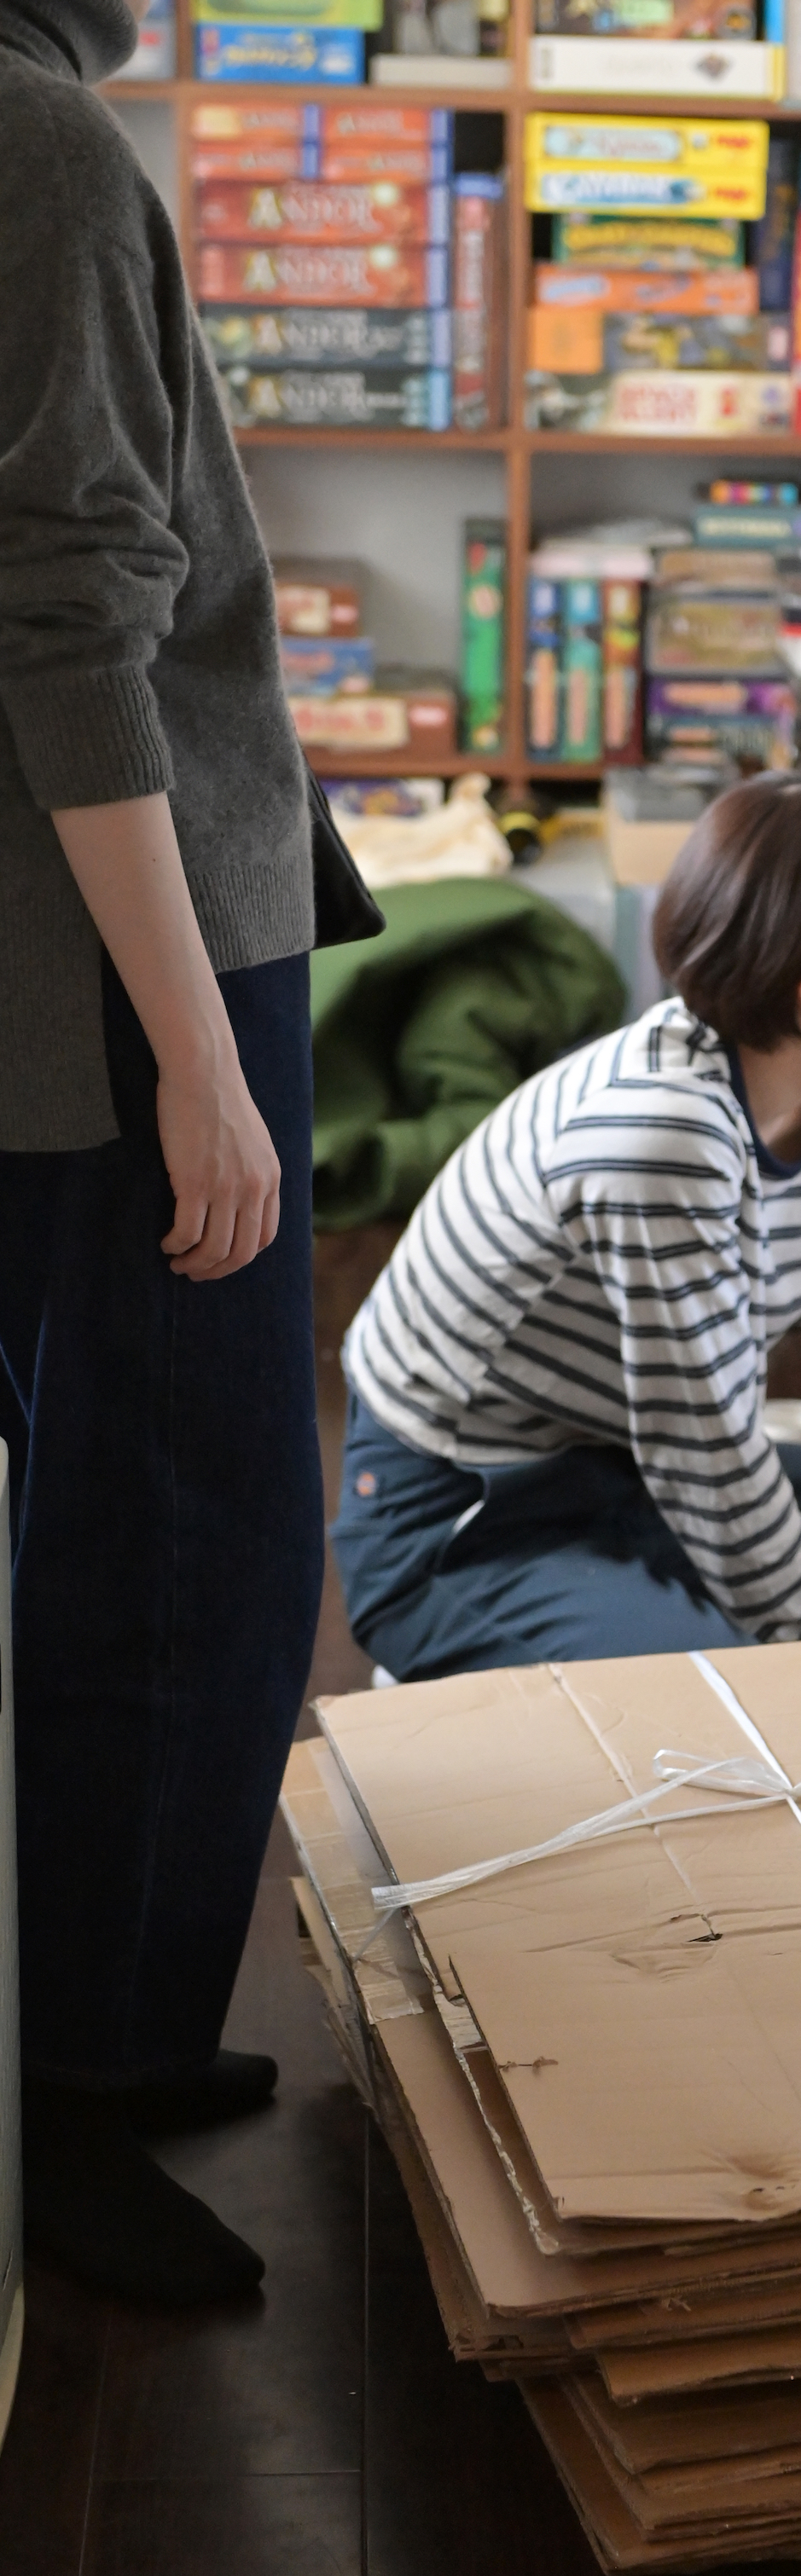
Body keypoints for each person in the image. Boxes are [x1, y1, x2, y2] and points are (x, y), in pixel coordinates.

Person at [0, 0, 323, 2301]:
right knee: (187, 1531)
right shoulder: (45, 151)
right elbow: (75, 630)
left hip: (69, 965)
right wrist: (193, 1054)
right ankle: (80, 2076)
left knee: (109, 1512)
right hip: (117, 980)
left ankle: (84, 2038)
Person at [334, 771, 801, 1667]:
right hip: (465, 1510)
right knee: (717, 1704)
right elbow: (705, 1455)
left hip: (632, 1460)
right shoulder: (661, 1136)